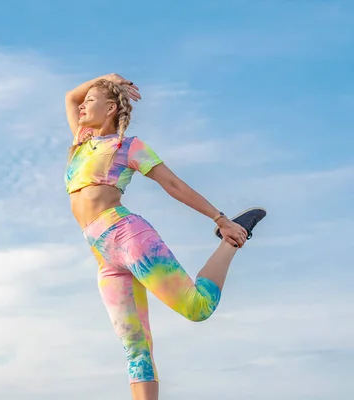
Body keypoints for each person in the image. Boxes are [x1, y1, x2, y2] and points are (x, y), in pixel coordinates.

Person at [64, 73, 266, 400]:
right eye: (85, 101)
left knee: (198, 308)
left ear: (112, 108)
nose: (83, 104)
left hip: (127, 237)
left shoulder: (127, 146)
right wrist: (104, 78)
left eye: (92, 100)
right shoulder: (82, 141)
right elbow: (70, 97)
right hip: (103, 256)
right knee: (136, 348)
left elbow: (173, 185)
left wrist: (220, 219)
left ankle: (230, 241)